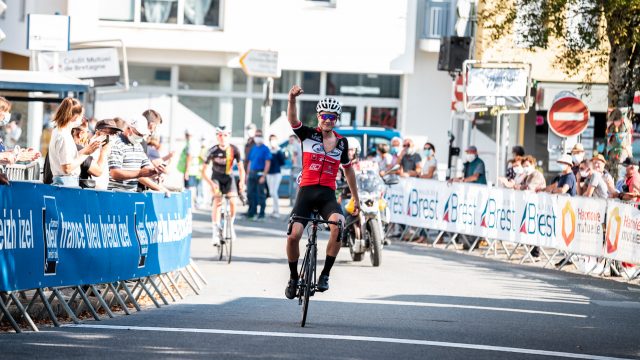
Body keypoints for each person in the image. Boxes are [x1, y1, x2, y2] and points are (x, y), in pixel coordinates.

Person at [285, 84, 360, 298]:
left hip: (327, 194)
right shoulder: (308, 135)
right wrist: (292, 99)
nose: (328, 120)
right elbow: (292, 121)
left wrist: (356, 199)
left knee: (339, 224)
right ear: (319, 116)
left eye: (332, 117)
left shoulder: (342, 143)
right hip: (307, 192)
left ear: (336, 119)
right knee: (293, 235)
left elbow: (349, 171)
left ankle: (325, 274)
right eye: (325, 116)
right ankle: (293, 277)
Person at [202, 126, 245, 246]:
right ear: (217, 136)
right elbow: (203, 171)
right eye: (220, 135)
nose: (222, 138)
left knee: (232, 200)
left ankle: (230, 225)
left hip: (229, 177)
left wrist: (242, 182)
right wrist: (210, 184)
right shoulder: (212, 151)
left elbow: (241, 169)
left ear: (229, 136)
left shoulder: (234, 150)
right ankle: (215, 232)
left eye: (225, 135)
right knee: (217, 201)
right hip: (216, 178)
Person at [48, 97, 102, 187]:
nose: (82, 119)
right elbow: (67, 168)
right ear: (76, 116)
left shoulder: (60, 131)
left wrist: (87, 150)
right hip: (66, 183)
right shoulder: (63, 135)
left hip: (63, 182)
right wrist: (86, 153)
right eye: (81, 116)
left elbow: (69, 160)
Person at [108, 116, 167, 192]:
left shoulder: (138, 146)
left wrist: (156, 171)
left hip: (132, 194)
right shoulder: (116, 144)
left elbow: (146, 168)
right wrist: (139, 173)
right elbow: (114, 173)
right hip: (116, 195)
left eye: (143, 135)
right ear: (129, 129)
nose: (141, 137)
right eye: (139, 134)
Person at [246, 129, 271, 220]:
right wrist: (247, 174)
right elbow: (250, 162)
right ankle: (251, 213)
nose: (258, 137)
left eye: (259, 135)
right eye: (256, 135)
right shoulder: (253, 148)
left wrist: (264, 176)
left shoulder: (265, 148)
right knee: (250, 193)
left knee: (261, 195)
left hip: (260, 173)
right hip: (252, 173)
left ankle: (261, 214)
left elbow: (268, 163)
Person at [267, 134, 286, 218]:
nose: (272, 141)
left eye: (274, 140)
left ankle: (277, 211)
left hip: (277, 173)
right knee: (271, 192)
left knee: (274, 192)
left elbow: (282, 162)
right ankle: (274, 210)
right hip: (269, 173)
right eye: (271, 140)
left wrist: (278, 152)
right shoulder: (268, 150)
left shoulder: (279, 150)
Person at [181, 130, 202, 205]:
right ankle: (192, 204)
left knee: (188, 188)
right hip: (195, 170)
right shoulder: (196, 143)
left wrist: (186, 171)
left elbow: (189, 158)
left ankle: (189, 205)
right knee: (193, 187)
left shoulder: (190, 144)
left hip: (190, 170)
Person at [286, 134, 302, 205]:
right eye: (289, 140)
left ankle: (296, 203)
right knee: (297, 186)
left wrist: (294, 165)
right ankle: (296, 202)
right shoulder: (297, 145)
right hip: (298, 168)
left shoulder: (295, 145)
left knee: (295, 186)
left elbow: (294, 156)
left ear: (296, 139)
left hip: (296, 168)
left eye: (292, 140)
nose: (290, 141)